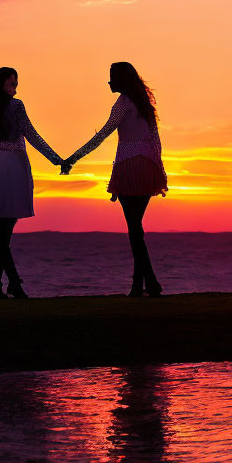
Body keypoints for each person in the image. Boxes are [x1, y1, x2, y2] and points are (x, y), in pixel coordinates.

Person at [64, 62, 168, 297]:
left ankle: (147, 283)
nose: (109, 82)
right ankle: (142, 285)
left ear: (121, 80)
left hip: (128, 167)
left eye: (111, 77)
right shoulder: (144, 104)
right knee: (136, 228)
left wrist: (74, 157)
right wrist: (160, 169)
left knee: (134, 228)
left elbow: (102, 134)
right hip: (147, 166)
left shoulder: (122, 104)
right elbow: (156, 139)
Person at [0, 67, 66, 299]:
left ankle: (10, 284)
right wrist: (56, 159)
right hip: (14, 167)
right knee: (5, 233)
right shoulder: (16, 106)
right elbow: (32, 134)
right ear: (3, 83)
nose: (16, 87)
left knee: (3, 233)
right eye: (13, 83)